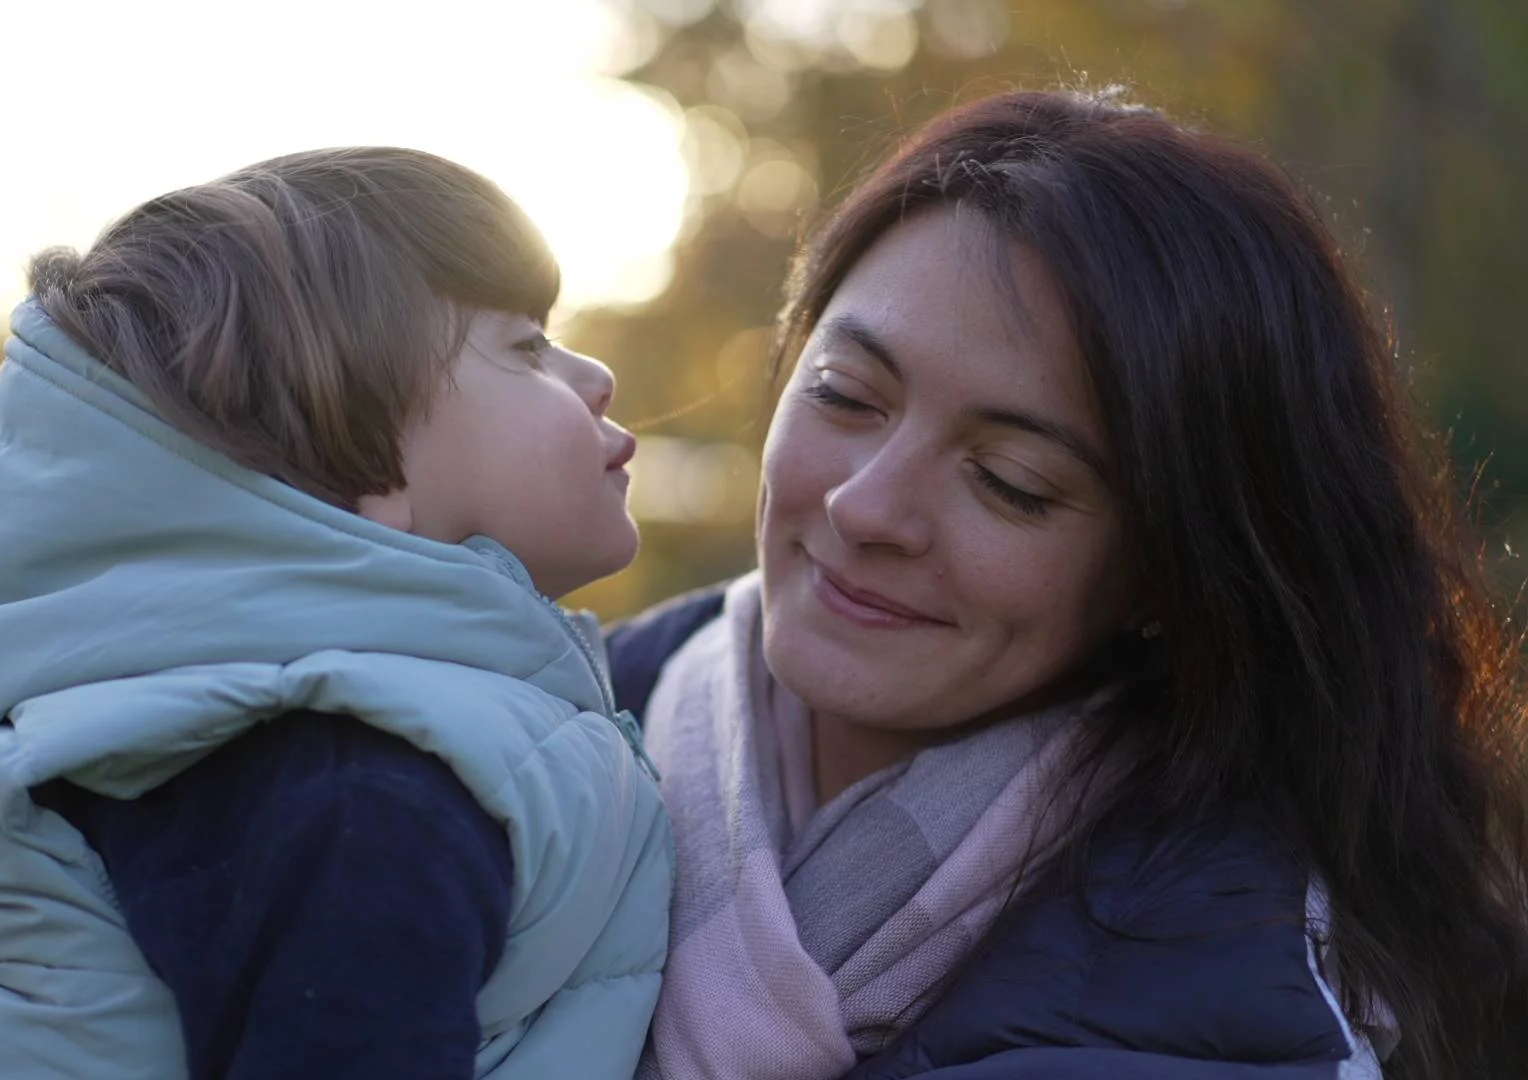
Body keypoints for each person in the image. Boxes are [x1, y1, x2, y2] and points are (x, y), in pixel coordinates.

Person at [608, 89, 1528, 1080]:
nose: (866, 509)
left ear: (1169, 575)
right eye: (846, 394)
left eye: (1012, 482)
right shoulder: (528, 729)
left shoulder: (1224, 1009)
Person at [0, 147, 670, 1079]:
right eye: (528, 347)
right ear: (368, 455)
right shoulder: (344, 784)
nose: (596, 375)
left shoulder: (347, 716)